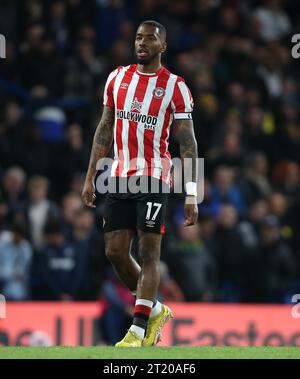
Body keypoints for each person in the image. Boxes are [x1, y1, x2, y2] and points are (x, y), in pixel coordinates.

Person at [82, 20, 198, 347]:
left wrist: (193, 194)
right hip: (119, 175)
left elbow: (188, 143)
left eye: (150, 38)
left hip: (154, 175)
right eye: (138, 37)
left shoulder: (175, 86)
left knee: (149, 251)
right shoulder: (117, 78)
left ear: (163, 46)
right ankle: (156, 308)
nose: (142, 43)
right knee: (115, 252)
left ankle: (137, 329)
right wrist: (90, 176)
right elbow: (104, 128)